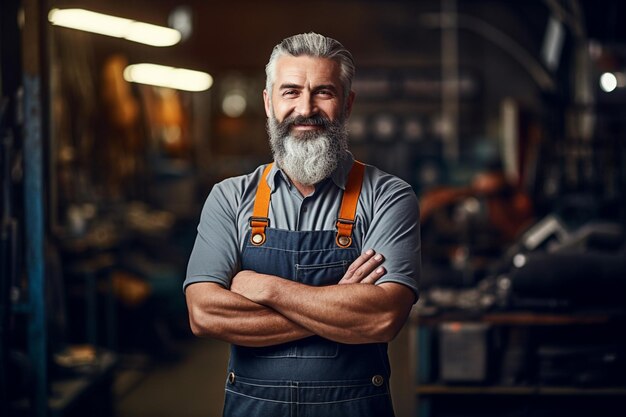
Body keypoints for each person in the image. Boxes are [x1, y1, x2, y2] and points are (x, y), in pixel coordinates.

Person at [184, 32, 421, 417]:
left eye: (323, 92)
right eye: (290, 91)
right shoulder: (229, 198)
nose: (305, 108)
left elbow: (381, 317)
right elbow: (204, 314)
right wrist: (339, 309)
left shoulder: (388, 196)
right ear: (268, 102)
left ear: (347, 104)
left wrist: (264, 287)